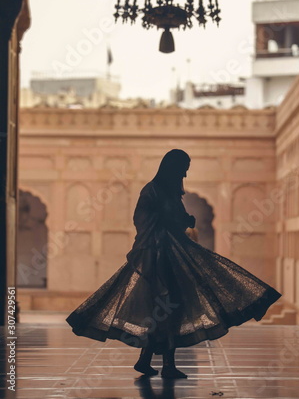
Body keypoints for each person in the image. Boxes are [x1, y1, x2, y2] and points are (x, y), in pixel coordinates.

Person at [66, 149, 282, 379]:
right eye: (183, 168)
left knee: (167, 311)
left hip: (170, 256)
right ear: (173, 167)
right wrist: (175, 222)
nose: (185, 174)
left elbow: (174, 219)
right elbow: (144, 220)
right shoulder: (153, 190)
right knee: (168, 309)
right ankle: (164, 365)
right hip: (158, 259)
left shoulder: (168, 192)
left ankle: (147, 360)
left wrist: (183, 220)